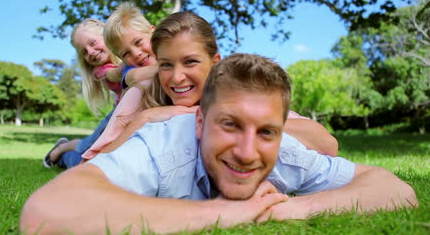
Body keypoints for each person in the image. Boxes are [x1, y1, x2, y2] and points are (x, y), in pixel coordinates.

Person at [20, 53, 417, 234]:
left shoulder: (285, 152)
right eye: (230, 125)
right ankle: (62, 149)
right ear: (199, 121)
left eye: (266, 131)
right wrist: (223, 213)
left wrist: (291, 210)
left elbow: (394, 188)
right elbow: (46, 212)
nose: (247, 152)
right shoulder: (163, 147)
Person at [82, 8, 338, 161]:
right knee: (78, 151)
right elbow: (91, 167)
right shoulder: (141, 95)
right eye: (166, 65)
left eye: (190, 62)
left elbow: (328, 145)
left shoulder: (236, 95)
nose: (177, 77)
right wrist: (144, 120)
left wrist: (220, 117)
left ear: (215, 62)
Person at [43, 18, 156, 169]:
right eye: (84, 51)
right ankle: (64, 151)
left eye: (92, 43)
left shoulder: (136, 56)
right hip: (116, 117)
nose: (90, 52)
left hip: (132, 116)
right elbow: (115, 75)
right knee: (87, 148)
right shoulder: (101, 70)